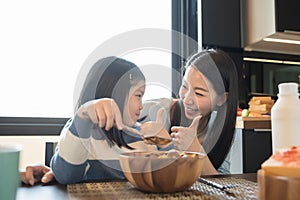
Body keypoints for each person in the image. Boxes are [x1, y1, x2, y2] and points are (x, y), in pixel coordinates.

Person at [20, 56, 165, 185]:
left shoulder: (143, 135)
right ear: (115, 92)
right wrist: (83, 116)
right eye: (139, 95)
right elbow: (66, 176)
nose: (141, 106)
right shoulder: (80, 132)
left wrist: (165, 145)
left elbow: (164, 179)